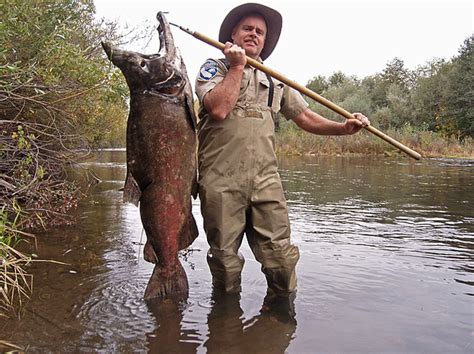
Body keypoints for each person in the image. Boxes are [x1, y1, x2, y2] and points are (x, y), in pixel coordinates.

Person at [195, 3, 369, 300]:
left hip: (266, 181)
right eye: (247, 29)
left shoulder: (276, 80)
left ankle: (280, 318)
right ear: (233, 34)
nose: (253, 34)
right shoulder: (215, 68)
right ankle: (225, 323)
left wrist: (344, 128)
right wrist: (237, 66)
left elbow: (306, 118)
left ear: (265, 40)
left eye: (259, 31)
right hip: (220, 180)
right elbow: (219, 108)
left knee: (281, 257)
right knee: (224, 260)